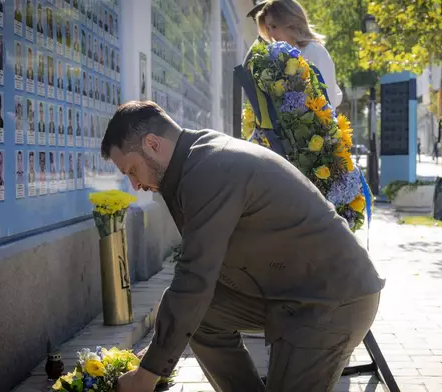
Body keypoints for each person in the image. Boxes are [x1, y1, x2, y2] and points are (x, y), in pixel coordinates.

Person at [106, 101, 383, 392]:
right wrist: (158, 352)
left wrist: (146, 376)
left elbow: (195, 278)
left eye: (132, 170)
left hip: (332, 300)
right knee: (200, 315)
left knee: (191, 303)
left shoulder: (210, 169)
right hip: (293, 293)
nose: (135, 184)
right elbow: (195, 292)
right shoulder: (196, 161)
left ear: (152, 144)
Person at [255, 0, 342, 107]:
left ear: (291, 21)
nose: (271, 34)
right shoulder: (276, 59)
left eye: (274, 26)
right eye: (268, 28)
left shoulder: (315, 51)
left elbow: (327, 103)